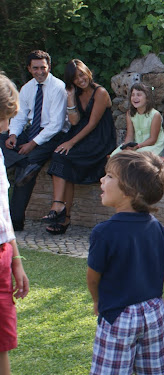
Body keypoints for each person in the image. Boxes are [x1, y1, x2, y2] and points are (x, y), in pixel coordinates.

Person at [86, 151, 164, 375]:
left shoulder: (103, 232)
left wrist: (97, 302)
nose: (102, 180)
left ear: (129, 190)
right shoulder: (155, 226)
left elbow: (93, 276)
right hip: (154, 313)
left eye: (109, 176)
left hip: (118, 317)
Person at [44, 59, 116, 235]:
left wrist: (71, 142)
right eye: (75, 78)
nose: (80, 80)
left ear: (88, 72)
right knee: (60, 157)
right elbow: (75, 121)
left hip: (99, 140)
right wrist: (70, 98)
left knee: (64, 156)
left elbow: (92, 124)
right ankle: (62, 213)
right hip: (82, 136)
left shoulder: (101, 92)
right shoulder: (75, 92)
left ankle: (59, 208)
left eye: (82, 74)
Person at [0, 50, 67, 231]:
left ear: (49, 67)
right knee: (2, 139)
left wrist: (32, 144)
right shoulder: (27, 88)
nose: (40, 72)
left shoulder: (58, 87)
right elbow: (20, 116)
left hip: (53, 136)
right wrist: (13, 135)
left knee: (27, 165)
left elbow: (56, 124)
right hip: (31, 131)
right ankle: (20, 162)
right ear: (29, 68)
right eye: (35, 68)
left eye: (43, 68)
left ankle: (15, 221)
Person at [0, 73, 30, 375]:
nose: (7, 127)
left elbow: (4, 213)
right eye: (4, 118)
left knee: (2, 342)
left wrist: (16, 259)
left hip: (3, 257)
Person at [111, 82, 164, 156]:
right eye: (133, 95)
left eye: (139, 95)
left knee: (137, 158)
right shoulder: (130, 114)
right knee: (115, 156)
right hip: (135, 146)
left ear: (147, 98)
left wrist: (138, 146)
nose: (135, 97)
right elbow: (130, 135)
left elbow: (153, 140)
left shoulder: (155, 115)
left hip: (151, 146)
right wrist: (127, 147)